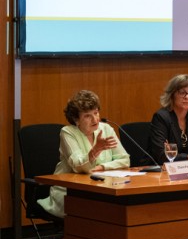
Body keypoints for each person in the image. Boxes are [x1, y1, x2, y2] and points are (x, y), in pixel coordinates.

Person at [38, 90, 130, 218]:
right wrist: (95, 150)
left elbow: (125, 160)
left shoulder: (106, 129)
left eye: (96, 113)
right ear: (76, 119)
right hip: (70, 191)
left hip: (103, 187)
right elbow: (78, 166)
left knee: (121, 208)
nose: (95, 119)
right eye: (87, 116)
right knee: (101, 210)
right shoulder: (68, 132)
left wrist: (102, 167)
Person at [148, 74, 188, 164]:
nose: (187, 97)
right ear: (172, 95)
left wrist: (175, 155)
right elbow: (162, 156)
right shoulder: (161, 117)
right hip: (161, 169)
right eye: (182, 92)